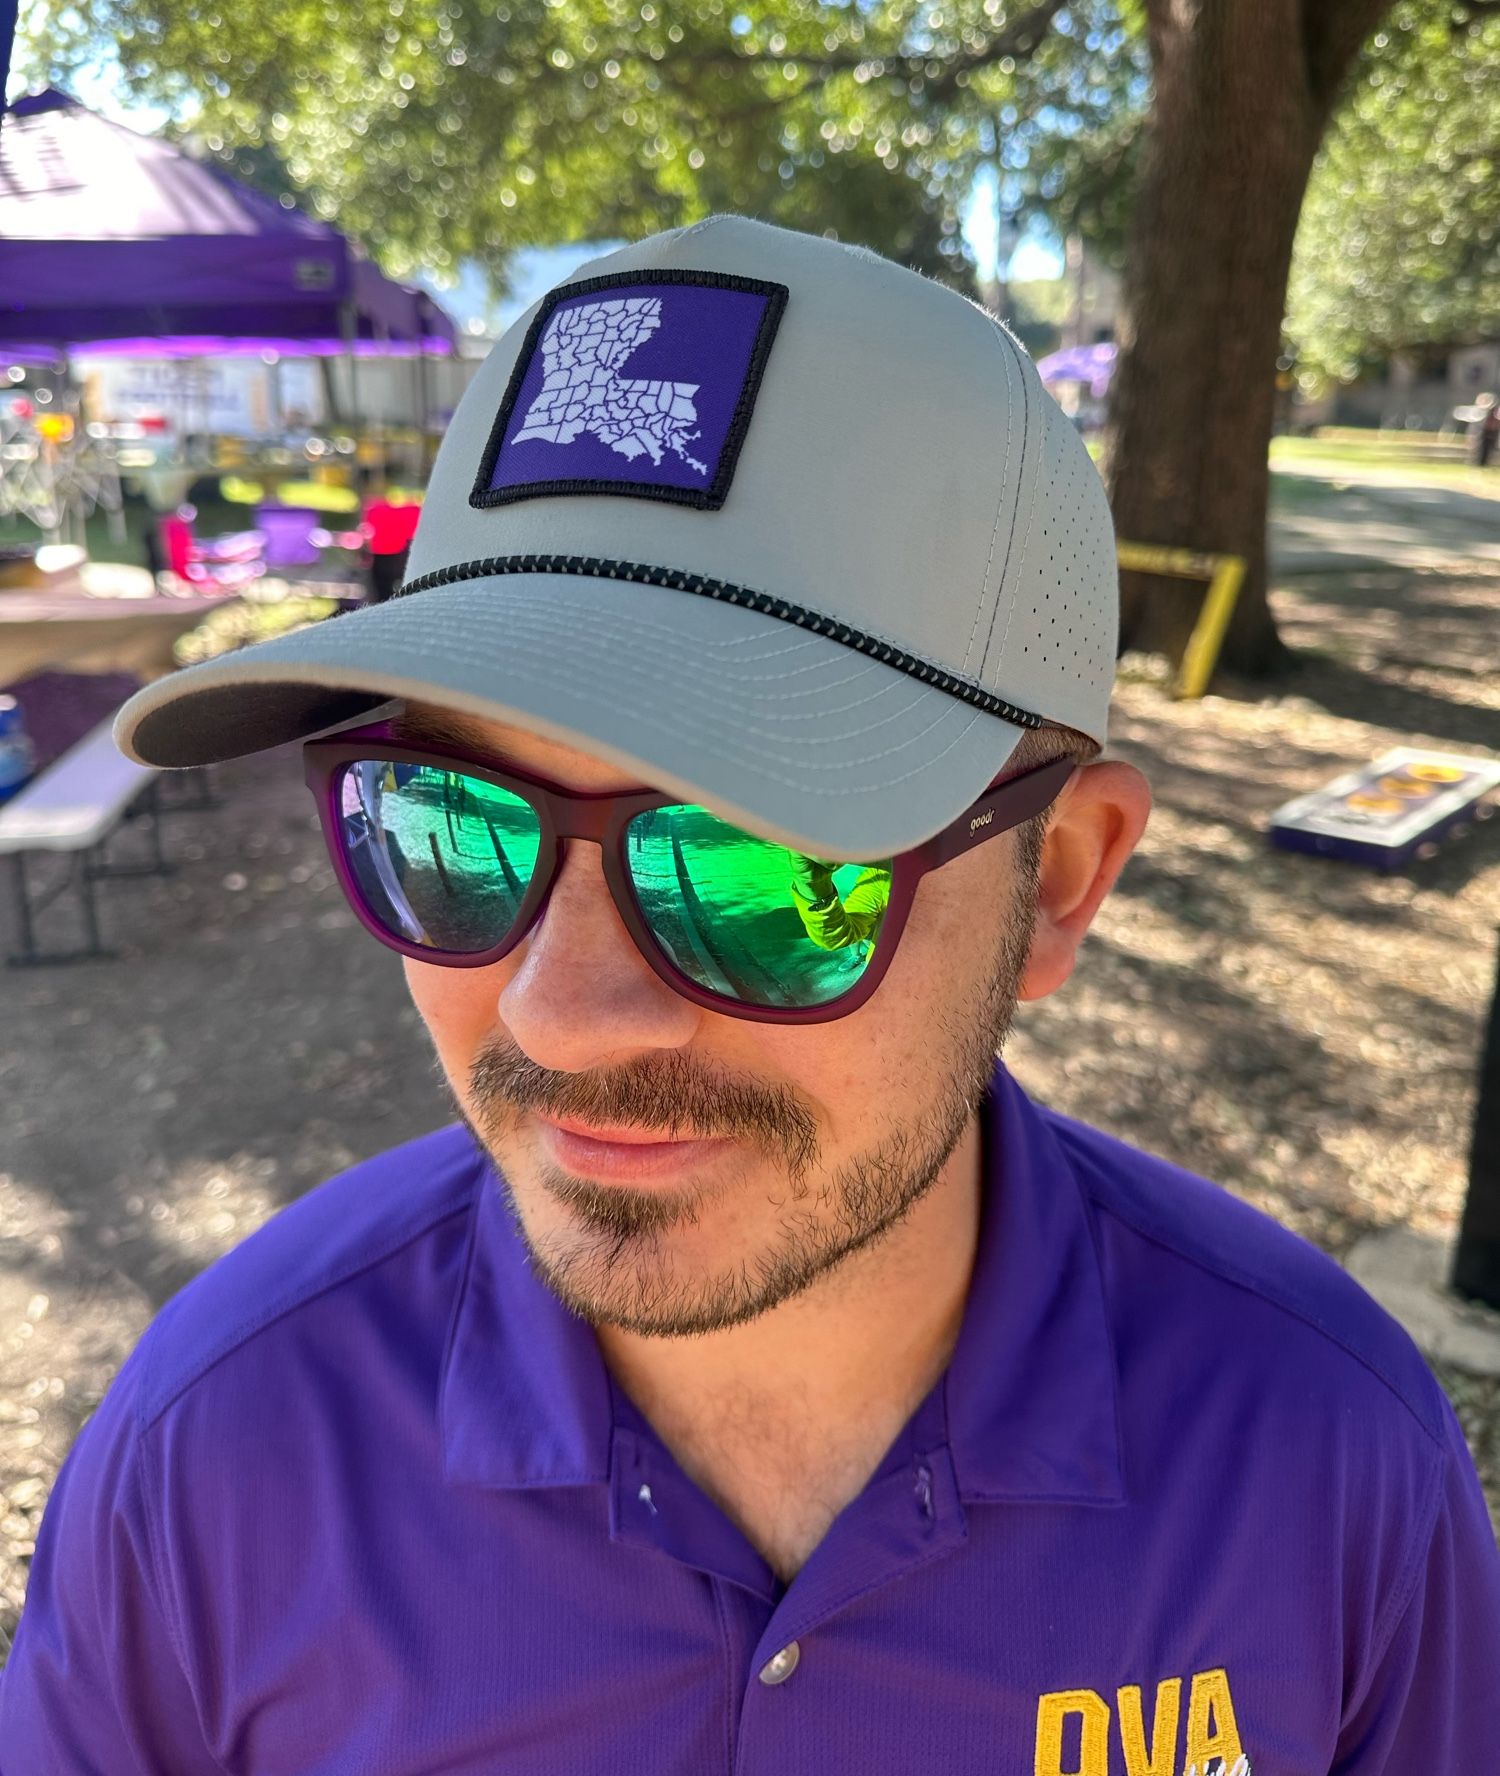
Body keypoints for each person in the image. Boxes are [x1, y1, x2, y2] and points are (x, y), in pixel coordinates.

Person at [3, 218, 1497, 1774]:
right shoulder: (214, 1457)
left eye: (765, 870)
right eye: (450, 829)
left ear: (1060, 877)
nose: (555, 1016)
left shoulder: (1327, 1472)